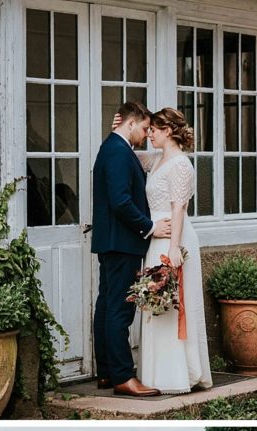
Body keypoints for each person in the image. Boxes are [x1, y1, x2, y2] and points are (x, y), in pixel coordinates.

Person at [114, 107, 213, 394]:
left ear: (168, 131)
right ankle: (156, 374)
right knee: (156, 303)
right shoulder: (156, 160)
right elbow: (126, 152)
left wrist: (174, 249)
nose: (149, 135)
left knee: (172, 304)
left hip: (173, 237)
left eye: (153, 130)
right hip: (154, 238)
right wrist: (117, 130)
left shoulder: (181, 165)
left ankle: (178, 373)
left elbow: (178, 208)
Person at [91, 101, 171, 397]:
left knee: (106, 306)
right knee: (119, 311)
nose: (146, 133)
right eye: (145, 128)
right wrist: (150, 227)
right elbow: (121, 201)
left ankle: (107, 372)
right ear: (131, 124)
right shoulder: (116, 151)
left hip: (112, 241)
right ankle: (123, 376)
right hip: (122, 242)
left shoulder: (115, 147)